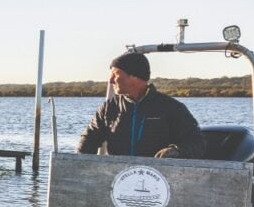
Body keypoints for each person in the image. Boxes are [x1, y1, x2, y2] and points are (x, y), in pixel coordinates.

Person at [77, 52, 205, 158]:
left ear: (134, 76)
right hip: (118, 179)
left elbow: (197, 143)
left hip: (159, 180)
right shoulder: (108, 108)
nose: (110, 81)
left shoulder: (171, 108)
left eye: (115, 75)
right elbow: (88, 141)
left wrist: (176, 151)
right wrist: (78, 165)